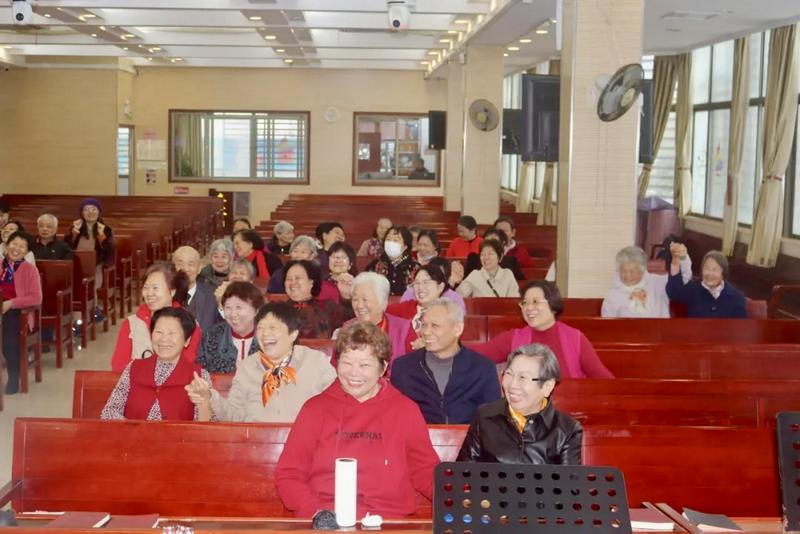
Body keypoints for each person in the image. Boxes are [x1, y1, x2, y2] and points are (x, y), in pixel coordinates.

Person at [275, 321, 440, 519]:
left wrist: (458, 499)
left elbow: (425, 471)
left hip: (388, 520)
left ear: (383, 368)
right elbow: (289, 474)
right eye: (346, 363)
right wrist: (315, 512)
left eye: (364, 365)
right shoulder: (315, 409)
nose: (354, 373)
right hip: (327, 518)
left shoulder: (405, 410)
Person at [186, 302, 337, 422]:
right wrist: (210, 396)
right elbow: (234, 415)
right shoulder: (247, 367)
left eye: (273, 328)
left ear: (293, 334)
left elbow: (336, 406)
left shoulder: (315, 362)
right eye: (261, 328)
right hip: (257, 449)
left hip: (306, 447)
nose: (265, 334)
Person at [457, 343, 583, 465]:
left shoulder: (567, 430)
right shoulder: (484, 415)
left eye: (523, 378)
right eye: (509, 374)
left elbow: (570, 484)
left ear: (547, 386)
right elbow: (463, 473)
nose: (512, 385)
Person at [470, 280, 613, 378]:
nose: (529, 308)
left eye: (536, 302)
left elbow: (604, 379)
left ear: (552, 305)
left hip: (569, 414)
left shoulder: (575, 338)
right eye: (524, 303)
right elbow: (477, 354)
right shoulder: (515, 337)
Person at [391, 299, 500, 424]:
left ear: (458, 329)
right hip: (417, 441)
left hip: (468, 441)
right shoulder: (403, 368)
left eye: (435, 326)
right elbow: (395, 419)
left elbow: (492, 422)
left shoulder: (483, 368)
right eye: (424, 325)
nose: (426, 332)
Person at [101, 307, 212, 421]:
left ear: (187, 341)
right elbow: (110, 411)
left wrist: (204, 403)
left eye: (172, 333)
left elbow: (204, 429)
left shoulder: (199, 377)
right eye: (159, 332)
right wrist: (134, 432)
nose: (164, 339)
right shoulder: (133, 368)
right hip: (133, 437)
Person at [111, 262, 202, 372]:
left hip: (176, 387)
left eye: (155, 288)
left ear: (172, 291)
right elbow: (119, 366)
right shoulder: (132, 323)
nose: (149, 293)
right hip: (138, 386)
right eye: (146, 287)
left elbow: (188, 364)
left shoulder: (189, 324)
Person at [340, 272, 415, 364]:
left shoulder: (404, 329)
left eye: (365, 299)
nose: (359, 306)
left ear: (383, 302)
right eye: (355, 299)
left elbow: (414, 369)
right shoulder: (347, 328)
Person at [1, 231, 42, 394]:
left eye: (21, 246)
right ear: (7, 245)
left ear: (26, 252)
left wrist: (11, 303)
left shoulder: (29, 270)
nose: (16, 248)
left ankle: (13, 377)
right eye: (14, 244)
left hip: (18, 313)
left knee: (8, 340)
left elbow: (36, 298)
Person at [602, 245, 692, 318]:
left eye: (632, 271)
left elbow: (684, 277)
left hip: (660, 336)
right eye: (623, 271)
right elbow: (607, 324)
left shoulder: (658, 282)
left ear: (642, 270)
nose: (627, 275)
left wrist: (683, 257)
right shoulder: (613, 294)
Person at [196, 282, 262, 373]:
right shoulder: (211, 335)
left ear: (256, 310)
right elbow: (201, 370)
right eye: (228, 307)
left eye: (239, 307)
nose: (233, 314)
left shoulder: (267, 337)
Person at [666, 246, 747, 318]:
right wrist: (675, 260)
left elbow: (740, 329)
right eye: (706, 268)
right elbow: (674, 293)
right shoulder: (693, 289)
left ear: (723, 273)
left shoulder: (737, 298)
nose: (709, 273)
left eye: (714, 270)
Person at [283, 259, 345, 339]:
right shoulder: (279, 310)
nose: (293, 283)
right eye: (288, 279)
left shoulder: (328, 307)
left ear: (311, 282)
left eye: (297, 278)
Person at [389, 264, 466, 327]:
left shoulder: (449, 312)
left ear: (440, 287)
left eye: (426, 282)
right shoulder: (405, 308)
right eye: (417, 283)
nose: (420, 288)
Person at [172, 245, 221, 334]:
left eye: (191, 264)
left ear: (199, 268)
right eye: (180, 264)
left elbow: (223, 326)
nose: (185, 269)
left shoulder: (213, 294)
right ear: (174, 267)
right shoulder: (166, 294)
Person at [455, 240, 520, 298]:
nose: (486, 257)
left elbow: (514, 300)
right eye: (482, 254)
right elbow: (457, 296)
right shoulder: (475, 275)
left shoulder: (507, 274)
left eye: (490, 254)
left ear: (500, 256)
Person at [365, 226, 419, 296]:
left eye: (396, 240)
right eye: (388, 239)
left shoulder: (414, 267)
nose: (391, 243)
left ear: (405, 246)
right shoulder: (375, 265)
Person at [65, 197, 114, 270]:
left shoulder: (106, 230)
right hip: (75, 264)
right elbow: (65, 249)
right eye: (86, 210)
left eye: (94, 209)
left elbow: (109, 253)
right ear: (82, 213)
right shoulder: (74, 227)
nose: (90, 212)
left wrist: (102, 238)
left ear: (99, 212)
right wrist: (73, 235)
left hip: (97, 265)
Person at [321, 241, 358, 309]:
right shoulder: (320, 283)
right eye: (334, 257)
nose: (337, 260)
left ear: (350, 264)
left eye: (343, 257)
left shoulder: (357, 284)